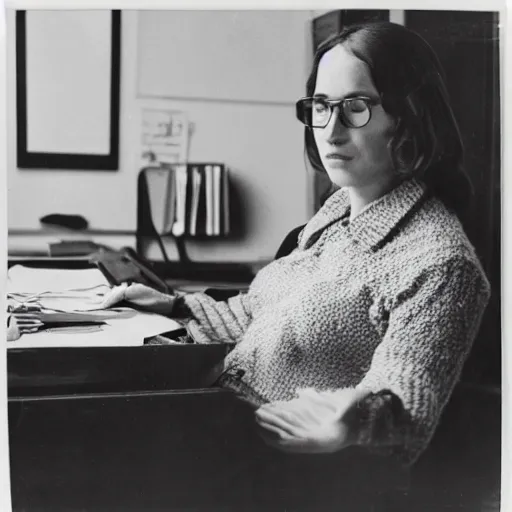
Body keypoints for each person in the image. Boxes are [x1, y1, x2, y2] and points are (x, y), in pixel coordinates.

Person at [103, 21, 490, 509]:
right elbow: (259, 312)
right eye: (322, 107)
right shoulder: (336, 212)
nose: (331, 129)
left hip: (289, 482)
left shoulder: (441, 261)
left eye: (356, 107)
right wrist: (177, 306)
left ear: (410, 116)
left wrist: (352, 417)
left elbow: (405, 395)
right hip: (220, 441)